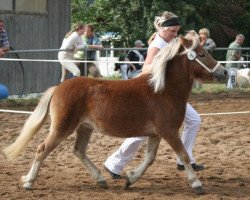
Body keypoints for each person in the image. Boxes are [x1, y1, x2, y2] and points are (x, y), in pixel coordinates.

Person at [104, 11, 204, 179]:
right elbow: (146, 70)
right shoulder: (157, 45)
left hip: (168, 97)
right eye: (172, 31)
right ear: (163, 29)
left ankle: (184, 159)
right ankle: (114, 164)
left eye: (177, 31)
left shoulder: (170, 42)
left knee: (194, 120)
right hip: (152, 97)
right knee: (140, 135)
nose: (176, 34)